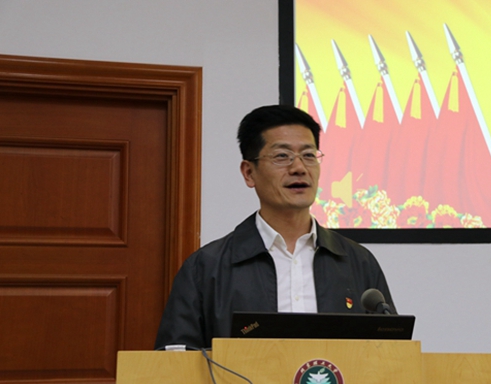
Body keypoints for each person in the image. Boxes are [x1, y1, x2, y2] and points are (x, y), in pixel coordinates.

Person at [155, 105, 396, 349]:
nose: (299, 168)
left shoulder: (358, 262)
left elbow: (390, 354)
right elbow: (174, 359)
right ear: (249, 173)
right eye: (282, 156)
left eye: (309, 155)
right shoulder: (206, 268)